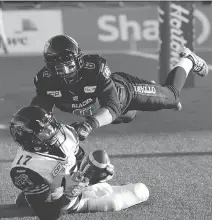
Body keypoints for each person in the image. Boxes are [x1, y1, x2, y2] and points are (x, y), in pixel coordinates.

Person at [31, 35, 209, 141]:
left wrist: (89, 124)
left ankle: (188, 59)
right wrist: (34, 127)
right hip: (111, 113)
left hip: (124, 94)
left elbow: (113, 106)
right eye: (57, 67)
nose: (64, 72)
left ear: (78, 60)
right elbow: (38, 113)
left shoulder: (95, 68)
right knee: (129, 116)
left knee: (172, 98)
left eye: (68, 65)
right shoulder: (45, 81)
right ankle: (152, 90)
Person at [10, 105, 149, 220]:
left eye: (50, 124)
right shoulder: (24, 169)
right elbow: (48, 215)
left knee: (104, 184)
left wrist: (95, 173)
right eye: (43, 130)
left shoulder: (65, 132)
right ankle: (34, 195)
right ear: (27, 138)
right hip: (64, 200)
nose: (52, 130)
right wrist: (69, 194)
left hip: (73, 184)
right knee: (139, 191)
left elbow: (79, 159)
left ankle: (31, 195)